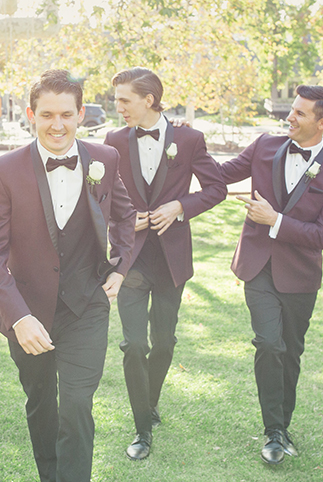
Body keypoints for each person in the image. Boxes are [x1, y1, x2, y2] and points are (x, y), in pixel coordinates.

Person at [0, 69, 136, 482]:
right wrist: (19, 315)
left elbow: (124, 214)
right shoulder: (3, 169)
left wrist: (120, 266)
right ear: (31, 114)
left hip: (86, 306)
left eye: (66, 114)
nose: (57, 125)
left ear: (81, 114)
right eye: (47, 114)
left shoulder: (104, 159)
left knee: (78, 404)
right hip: (28, 311)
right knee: (41, 402)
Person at [218, 84, 323, 465]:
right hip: (257, 267)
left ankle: (282, 424)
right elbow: (221, 173)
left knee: (290, 353)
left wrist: (275, 220)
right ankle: (273, 431)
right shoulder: (264, 146)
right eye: (290, 110)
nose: (289, 117)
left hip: (300, 277)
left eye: (299, 113)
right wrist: (179, 146)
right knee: (269, 343)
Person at [104, 68, 227, 460]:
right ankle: (142, 429)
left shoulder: (189, 140)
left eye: (124, 100)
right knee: (133, 343)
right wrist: (123, 219)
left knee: (164, 343)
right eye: (117, 99)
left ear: (149, 100)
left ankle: (149, 402)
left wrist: (180, 207)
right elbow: (99, 195)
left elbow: (216, 188)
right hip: (131, 259)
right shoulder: (113, 141)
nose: (118, 107)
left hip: (172, 260)